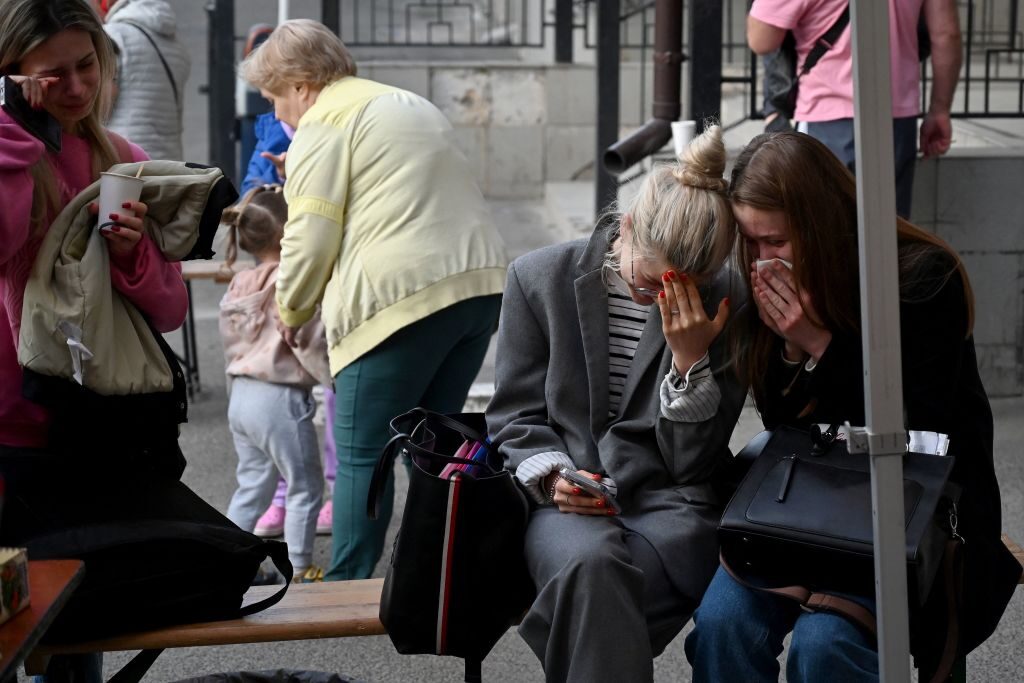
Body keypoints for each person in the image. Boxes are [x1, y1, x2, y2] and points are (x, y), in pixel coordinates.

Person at [684, 131, 1021, 682]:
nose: (761, 259)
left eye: (776, 241)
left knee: (826, 643)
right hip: (806, 504)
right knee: (723, 625)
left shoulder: (920, 277)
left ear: (820, 226)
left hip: (912, 505)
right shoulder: (765, 286)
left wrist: (821, 346)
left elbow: (923, 428)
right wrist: (792, 350)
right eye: (749, 241)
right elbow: (785, 430)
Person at [238, 19, 508, 581]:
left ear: (300, 83)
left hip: (397, 301)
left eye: (274, 98)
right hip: (477, 287)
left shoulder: (322, 122)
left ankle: (347, 584)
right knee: (433, 448)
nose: (278, 115)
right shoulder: (405, 102)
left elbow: (308, 236)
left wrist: (290, 311)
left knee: (364, 453)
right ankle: (439, 570)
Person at [485, 125, 747, 683]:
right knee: (591, 568)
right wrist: (552, 474)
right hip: (564, 502)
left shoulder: (726, 300)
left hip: (668, 507)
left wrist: (688, 365)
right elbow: (514, 416)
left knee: (593, 597)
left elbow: (693, 464)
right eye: (648, 283)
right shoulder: (539, 278)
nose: (658, 301)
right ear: (624, 229)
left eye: (680, 290)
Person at [0, 0, 187, 678]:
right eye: (54, 76)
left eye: (88, 65)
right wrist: (13, 133)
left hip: (88, 435)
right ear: (10, 75)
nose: (77, 89)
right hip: (6, 433)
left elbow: (169, 309)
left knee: (75, 646)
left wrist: (134, 256)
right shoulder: (10, 153)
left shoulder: (121, 159)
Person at [747, 0, 963, 218]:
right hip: (897, 119)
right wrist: (939, 110)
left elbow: (761, 39)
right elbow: (946, 34)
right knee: (892, 232)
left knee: (825, 232)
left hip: (825, 116)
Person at [219, 184, 331, 583]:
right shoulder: (289, 279)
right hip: (278, 397)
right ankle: (299, 567)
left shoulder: (239, 282)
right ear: (289, 233)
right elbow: (304, 336)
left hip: (241, 396)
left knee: (252, 485)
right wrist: (332, 374)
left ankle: (228, 561)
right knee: (304, 485)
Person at [92, 0, 190, 160]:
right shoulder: (177, 46)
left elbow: (100, 107)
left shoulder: (113, 35)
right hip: (169, 161)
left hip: (126, 160)